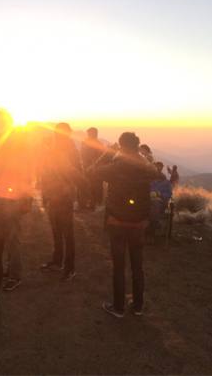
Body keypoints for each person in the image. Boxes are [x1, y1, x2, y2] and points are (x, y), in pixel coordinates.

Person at [89, 132, 163, 318]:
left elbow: (91, 171)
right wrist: (144, 158)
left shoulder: (115, 166)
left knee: (119, 266)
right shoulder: (145, 167)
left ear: (121, 146)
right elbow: (160, 175)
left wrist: (106, 152)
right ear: (137, 146)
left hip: (117, 222)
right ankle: (138, 306)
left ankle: (119, 308)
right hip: (139, 224)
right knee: (137, 265)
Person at [0, 130, 34, 310]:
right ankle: (10, 274)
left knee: (11, 242)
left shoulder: (8, 159)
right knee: (12, 241)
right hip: (10, 207)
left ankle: (13, 276)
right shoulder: (21, 159)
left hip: (4, 209)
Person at [40, 122, 82, 281]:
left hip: (64, 197)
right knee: (56, 231)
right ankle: (58, 261)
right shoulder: (53, 148)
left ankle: (69, 268)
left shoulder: (71, 151)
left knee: (67, 233)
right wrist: (46, 193)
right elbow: (46, 171)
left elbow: (77, 173)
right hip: (53, 195)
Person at [79, 127, 104, 210]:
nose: (89, 135)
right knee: (88, 186)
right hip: (88, 167)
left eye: (90, 133)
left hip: (93, 168)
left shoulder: (95, 143)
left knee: (92, 187)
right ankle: (87, 204)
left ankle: (90, 204)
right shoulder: (87, 142)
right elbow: (82, 154)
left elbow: (99, 156)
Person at [148, 161, 173, 243]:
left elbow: (168, 194)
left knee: (155, 206)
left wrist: (160, 195)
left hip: (160, 203)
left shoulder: (166, 183)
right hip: (148, 201)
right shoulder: (150, 182)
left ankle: (151, 233)